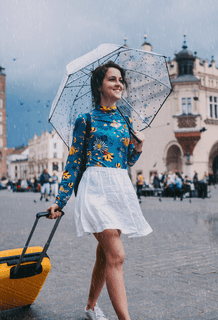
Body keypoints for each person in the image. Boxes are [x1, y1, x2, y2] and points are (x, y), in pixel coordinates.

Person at [47, 61, 152, 320]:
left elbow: (125, 161)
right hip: (94, 189)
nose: (119, 84)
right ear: (99, 86)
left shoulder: (124, 121)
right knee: (116, 254)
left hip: (119, 189)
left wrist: (137, 148)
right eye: (112, 80)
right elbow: (73, 162)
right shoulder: (86, 120)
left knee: (105, 254)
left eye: (120, 80)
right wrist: (60, 201)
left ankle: (90, 308)